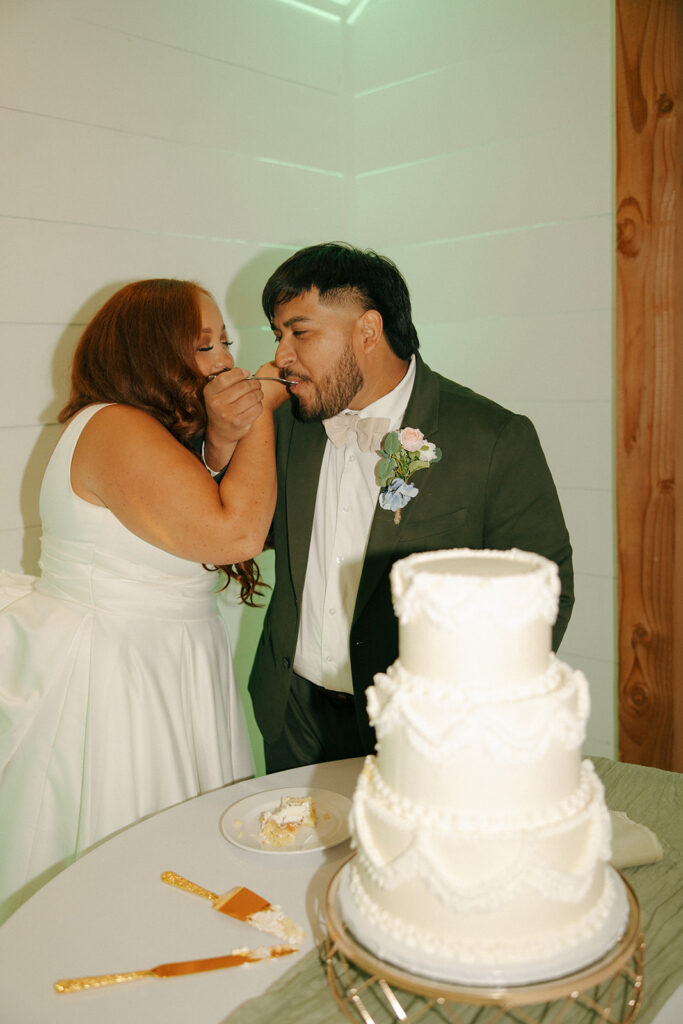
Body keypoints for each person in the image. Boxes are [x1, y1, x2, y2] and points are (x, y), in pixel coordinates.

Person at [203, 244, 575, 773]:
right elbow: (242, 529)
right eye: (277, 334)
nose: (281, 356)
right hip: (293, 717)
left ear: (369, 331)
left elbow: (545, 588)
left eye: (299, 332)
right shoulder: (283, 424)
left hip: (423, 732)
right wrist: (221, 442)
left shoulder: (491, 438)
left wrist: (468, 708)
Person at [0, 278, 285, 923]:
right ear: (153, 353)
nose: (224, 362)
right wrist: (258, 411)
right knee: (128, 879)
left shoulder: (150, 430)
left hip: (168, 662)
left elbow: (191, 523)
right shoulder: (114, 426)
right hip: (119, 677)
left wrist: (222, 436)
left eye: (224, 342)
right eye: (204, 345)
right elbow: (234, 533)